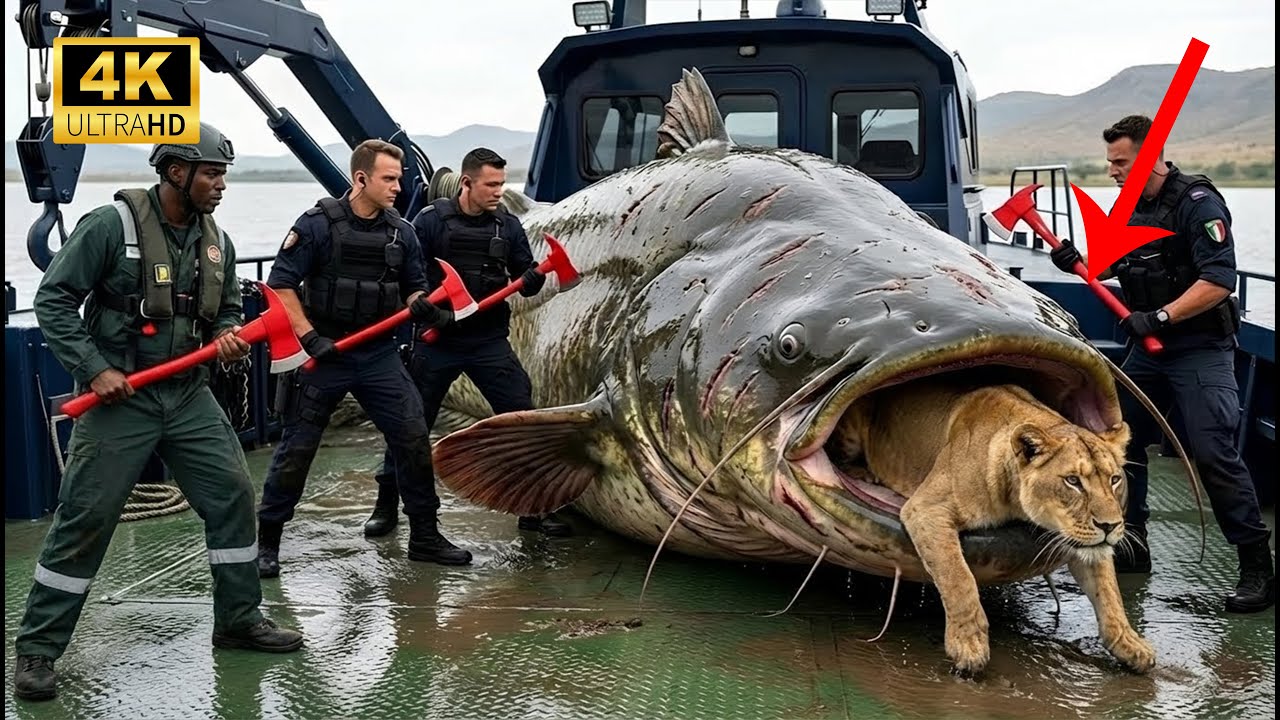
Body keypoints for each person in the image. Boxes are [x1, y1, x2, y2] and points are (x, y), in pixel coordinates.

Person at [12, 123, 304, 702]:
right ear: (176, 172)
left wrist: (225, 336)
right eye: (212, 173)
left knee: (232, 495)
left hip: (188, 395)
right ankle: (38, 648)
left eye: (223, 174)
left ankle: (238, 619)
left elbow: (225, 310)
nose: (221, 184)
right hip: (121, 398)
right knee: (87, 516)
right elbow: (54, 299)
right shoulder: (109, 226)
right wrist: (95, 368)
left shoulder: (216, 241)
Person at [1050, 114, 1274, 613]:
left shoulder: (1199, 204)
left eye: (1120, 162)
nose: (1111, 171)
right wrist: (1077, 260)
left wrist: (1161, 317)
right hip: (1149, 354)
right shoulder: (1127, 207)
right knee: (1119, 442)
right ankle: (1134, 545)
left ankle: (1257, 567)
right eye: (1110, 162)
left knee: (1213, 452)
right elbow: (1112, 263)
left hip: (1199, 348)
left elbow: (1218, 280)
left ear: (1149, 158)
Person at [254, 139, 471, 577]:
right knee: (297, 448)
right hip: (325, 353)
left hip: (378, 356)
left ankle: (425, 536)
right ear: (360, 178)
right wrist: (309, 336)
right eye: (389, 179)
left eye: (398, 178)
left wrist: (422, 304)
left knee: (412, 437)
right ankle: (267, 542)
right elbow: (281, 286)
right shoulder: (316, 225)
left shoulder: (402, 232)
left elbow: (413, 286)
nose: (398, 187)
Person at [362, 148, 572, 540]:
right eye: (490, 185)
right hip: (437, 340)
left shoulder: (507, 226)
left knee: (522, 421)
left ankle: (534, 510)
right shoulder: (430, 221)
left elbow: (525, 277)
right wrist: (428, 311)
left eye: (501, 184)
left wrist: (533, 278)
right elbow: (407, 277)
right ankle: (386, 504)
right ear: (466, 182)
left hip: (487, 341)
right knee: (410, 425)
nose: (498, 192)